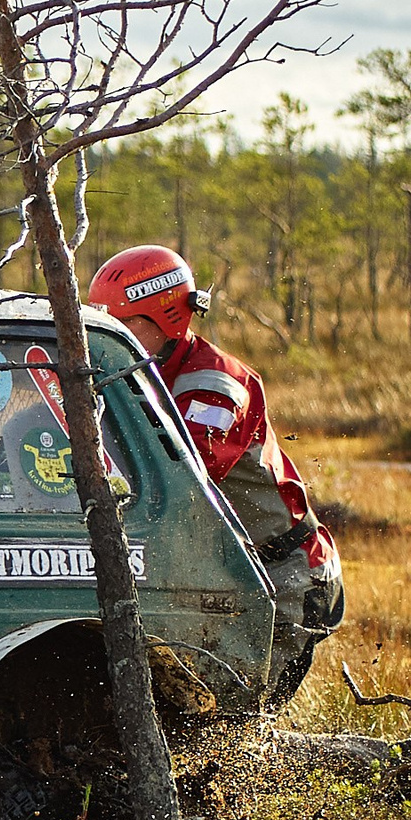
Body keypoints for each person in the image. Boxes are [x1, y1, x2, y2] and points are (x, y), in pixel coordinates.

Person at [87, 244, 344, 700]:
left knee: (234, 717)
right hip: (222, 568)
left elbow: (177, 481)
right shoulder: (137, 370)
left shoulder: (215, 384)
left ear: (169, 319)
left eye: (124, 326)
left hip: (282, 578)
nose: (109, 337)